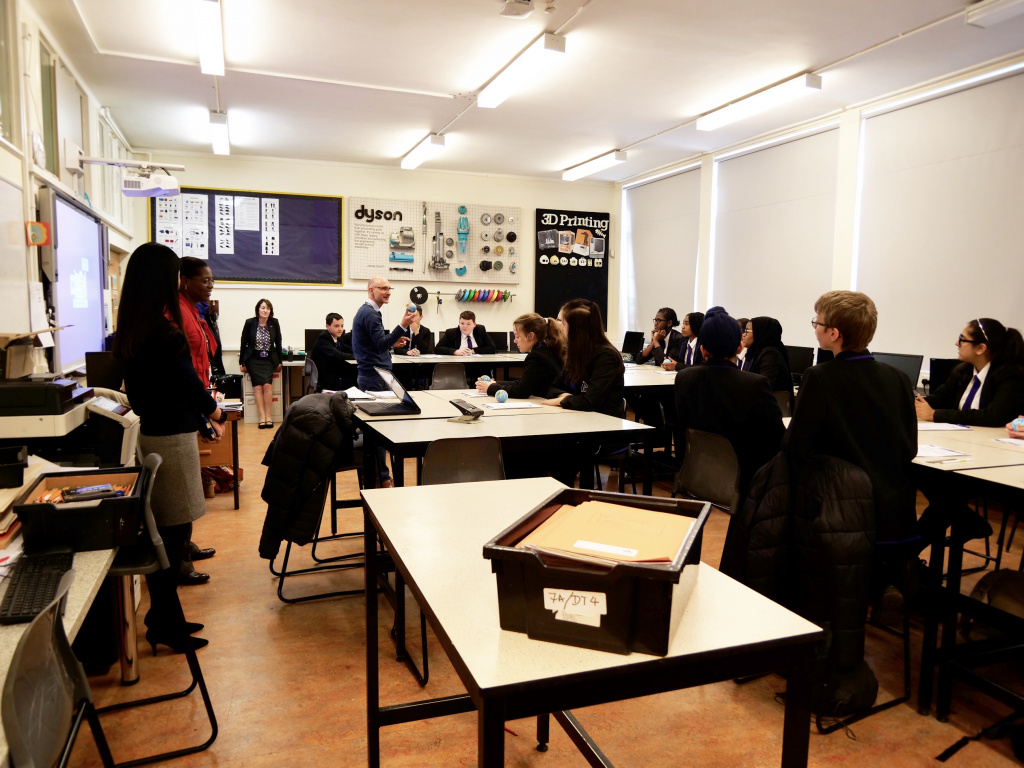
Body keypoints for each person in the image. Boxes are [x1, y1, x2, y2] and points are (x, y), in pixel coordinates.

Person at [115, 242, 224, 653]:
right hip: (171, 435)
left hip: (156, 432)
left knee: (170, 532)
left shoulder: (135, 326)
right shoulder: (161, 331)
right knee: (173, 533)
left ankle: (165, 617)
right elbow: (186, 382)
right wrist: (212, 410)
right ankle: (164, 621)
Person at [782, 290, 917, 543]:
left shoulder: (820, 377)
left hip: (840, 511)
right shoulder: (899, 379)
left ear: (833, 334)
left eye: (817, 322)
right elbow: (909, 448)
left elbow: (796, 446)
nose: (814, 327)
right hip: (895, 512)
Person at [673, 306, 784, 494]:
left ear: (703, 349)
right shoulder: (755, 384)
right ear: (739, 347)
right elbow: (776, 436)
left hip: (694, 472)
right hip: (744, 480)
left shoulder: (684, 378)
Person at [174, 257, 220, 585]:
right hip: (183, 405)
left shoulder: (195, 309)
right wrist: (210, 411)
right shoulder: (174, 311)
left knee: (189, 485)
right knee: (182, 492)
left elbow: (206, 353)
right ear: (185, 280)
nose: (210, 285)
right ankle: (179, 560)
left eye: (211, 280)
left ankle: (184, 545)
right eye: (204, 280)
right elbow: (183, 369)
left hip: (194, 400)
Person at [351, 277, 416, 487]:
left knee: (377, 430)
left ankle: (377, 475)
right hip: (374, 377)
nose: (388, 292)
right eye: (383, 288)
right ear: (372, 290)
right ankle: (382, 478)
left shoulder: (370, 312)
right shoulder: (369, 313)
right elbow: (379, 345)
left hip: (375, 375)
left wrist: (392, 341)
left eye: (389, 288)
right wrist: (402, 326)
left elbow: (377, 343)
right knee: (378, 431)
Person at [916, 318, 1024, 427]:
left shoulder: (1010, 376)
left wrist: (935, 414)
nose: (957, 343)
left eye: (962, 339)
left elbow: (992, 416)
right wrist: (908, 403)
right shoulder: (961, 371)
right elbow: (939, 398)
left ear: (980, 348)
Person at [544, 299, 625, 415]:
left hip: (603, 424)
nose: (560, 328)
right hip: (576, 417)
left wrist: (564, 400)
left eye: (564, 323)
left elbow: (590, 401)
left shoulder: (607, 357)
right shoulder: (576, 353)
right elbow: (552, 388)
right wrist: (565, 396)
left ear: (576, 329)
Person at [475, 313, 564, 398]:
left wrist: (491, 388)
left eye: (517, 337)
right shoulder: (546, 349)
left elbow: (522, 391)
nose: (515, 341)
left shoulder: (536, 356)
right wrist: (496, 383)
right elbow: (524, 382)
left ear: (530, 335)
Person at [239, 299, 284, 429]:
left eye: (268, 308)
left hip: (269, 359)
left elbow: (279, 343)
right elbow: (243, 343)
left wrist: (279, 361)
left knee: (267, 386)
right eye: (263, 308)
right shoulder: (250, 323)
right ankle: (262, 417)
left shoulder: (274, 323)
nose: (265, 310)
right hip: (253, 359)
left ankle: (269, 417)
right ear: (258, 309)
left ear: (270, 311)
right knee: (258, 387)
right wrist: (242, 361)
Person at [741, 316, 794, 405]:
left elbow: (765, 385)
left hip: (770, 408)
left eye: (747, 331)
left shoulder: (770, 354)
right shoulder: (754, 352)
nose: (743, 334)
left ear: (759, 333)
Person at [310, 312, 353, 392]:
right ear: (328, 326)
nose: (340, 329)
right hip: (326, 379)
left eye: (342, 326)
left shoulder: (337, 338)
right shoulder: (323, 338)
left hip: (333, 375)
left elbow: (347, 350)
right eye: (336, 326)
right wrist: (357, 357)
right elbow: (336, 354)